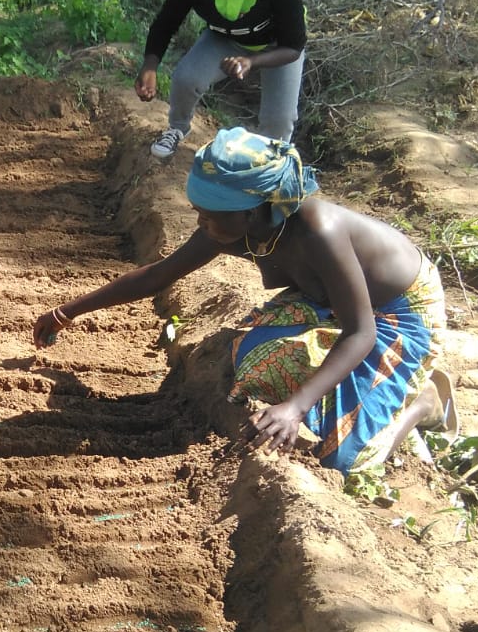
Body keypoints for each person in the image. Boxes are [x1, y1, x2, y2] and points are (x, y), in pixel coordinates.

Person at [32, 128, 452, 476]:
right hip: (326, 300)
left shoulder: (317, 231)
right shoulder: (232, 225)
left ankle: (423, 403)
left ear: (253, 211)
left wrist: (294, 408)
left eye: (210, 215)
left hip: (397, 311)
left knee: (340, 460)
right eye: (198, 211)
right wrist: (68, 311)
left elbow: (361, 332)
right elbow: (160, 275)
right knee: (254, 362)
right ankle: (359, 396)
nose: (201, 223)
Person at [135, 0, 307, 160]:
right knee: (185, 78)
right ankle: (177, 128)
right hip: (225, 40)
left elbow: (293, 47)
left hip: (276, 49)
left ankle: (271, 165)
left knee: (279, 121)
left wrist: (251, 61)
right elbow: (165, 23)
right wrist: (150, 65)